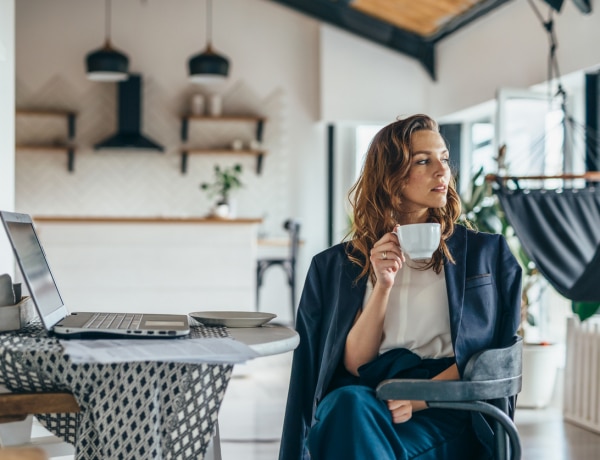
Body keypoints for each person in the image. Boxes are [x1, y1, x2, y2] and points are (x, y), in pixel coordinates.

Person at [278, 114, 522, 460]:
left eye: (444, 159)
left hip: (448, 406)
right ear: (390, 178)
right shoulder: (336, 266)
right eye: (424, 160)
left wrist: (419, 397)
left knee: (346, 431)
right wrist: (383, 284)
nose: (442, 170)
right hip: (370, 397)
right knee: (347, 406)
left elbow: (494, 353)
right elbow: (354, 363)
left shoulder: (486, 255)